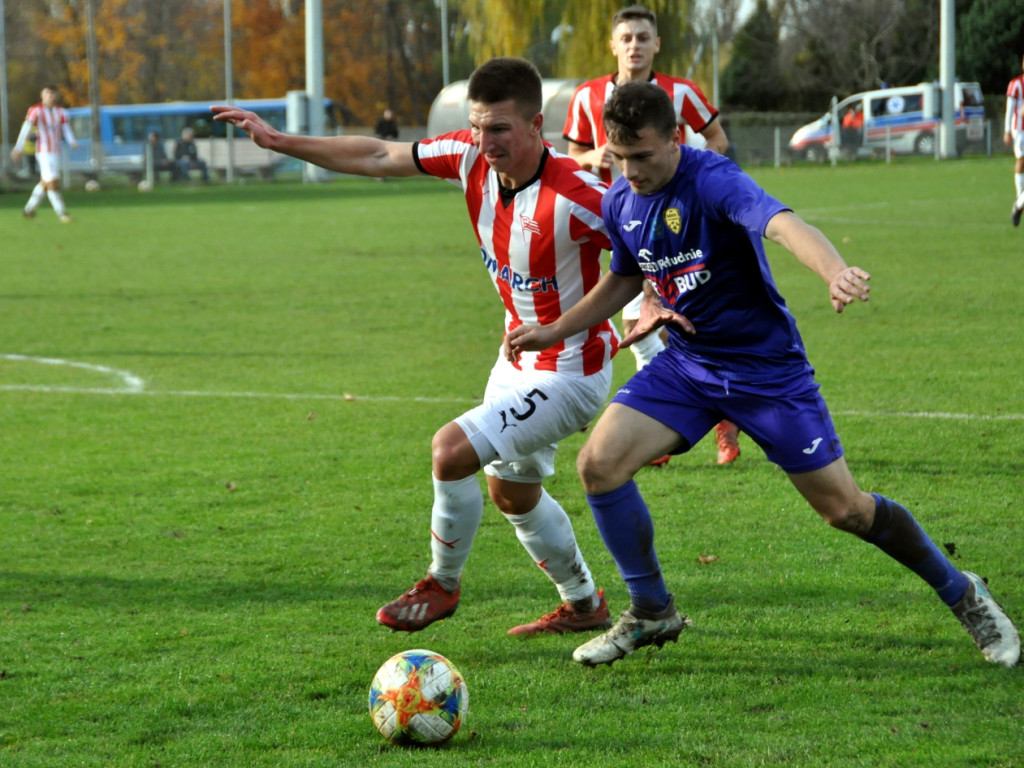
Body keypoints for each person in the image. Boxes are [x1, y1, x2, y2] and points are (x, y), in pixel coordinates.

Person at [505, 81, 1020, 669]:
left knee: (846, 511)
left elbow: (782, 224)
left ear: (676, 137)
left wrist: (833, 271)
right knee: (599, 465)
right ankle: (651, 610)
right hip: (690, 366)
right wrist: (558, 329)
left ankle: (963, 592)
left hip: (765, 372)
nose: (631, 172)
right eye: (619, 159)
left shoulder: (713, 179)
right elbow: (624, 277)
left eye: (643, 157)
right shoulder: (622, 199)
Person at [212, 57, 618, 638]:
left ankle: (441, 584)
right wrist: (279, 141)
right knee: (512, 493)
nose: (485, 141)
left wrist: (658, 300)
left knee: (450, 450)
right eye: (478, 126)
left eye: (499, 128)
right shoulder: (468, 156)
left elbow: (646, 250)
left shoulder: (578, 195)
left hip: (572, 371)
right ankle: (584, 605)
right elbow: (379, 155)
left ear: (536, 125)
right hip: (515, 359)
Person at [562, 4, 740, 466]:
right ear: (613, 45)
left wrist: (697, 180)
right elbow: (572, 156)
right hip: (614, 216)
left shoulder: (680, 93)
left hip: (674, 218)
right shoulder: (587, 97)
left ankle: (712, 415)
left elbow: (716, 138)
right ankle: (678, 412)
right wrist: (596, 155)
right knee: (635, 317)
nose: (635, 46)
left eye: (643, 37)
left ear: (656, 44)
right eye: (627, 38)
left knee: (679, 310)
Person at [10, 85, 77, 223]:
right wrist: (18, 147)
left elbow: (65, 128)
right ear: (42, 95)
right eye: (47, 93)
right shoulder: (36, 110)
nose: (50, 96)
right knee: (53, 181)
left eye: (53, 94)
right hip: (43, 151)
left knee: (44, 182)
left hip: (55, 151)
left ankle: (28, 210)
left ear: (56, 96)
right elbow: (26, 127)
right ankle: (61, 213)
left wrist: (72, 141)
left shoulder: (61, 112)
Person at [1005, 53, 1024, 227]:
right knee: (1021, 160)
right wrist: (1007, 131)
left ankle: (1019, 204)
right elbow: (1011, 108)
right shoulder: (1016, 84)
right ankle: (1020, 197)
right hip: (1020, 129)